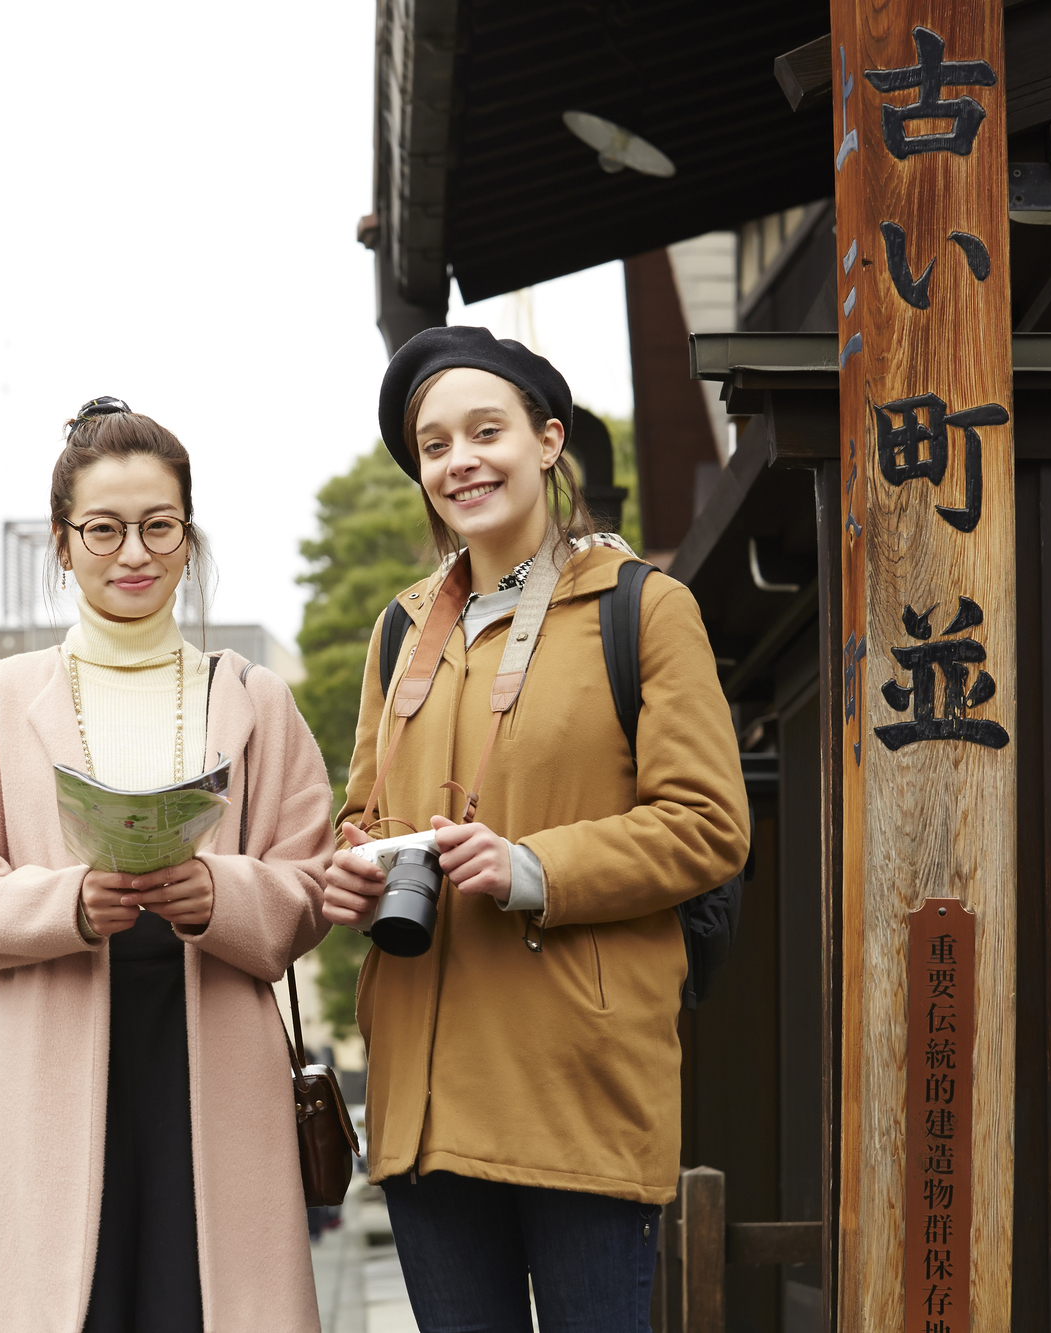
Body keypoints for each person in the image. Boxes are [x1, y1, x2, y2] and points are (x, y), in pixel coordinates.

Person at [322, 326, 750, 1331]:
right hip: (422, 1095)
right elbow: (362, 813)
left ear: (547, 439)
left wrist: (530, 867)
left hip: (577, 1085)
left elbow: (705, 824)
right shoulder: (398, 629)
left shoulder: (643, 608)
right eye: (433, 446)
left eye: (485, 430)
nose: (458, 461)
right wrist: (350, 869)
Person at [0, 398, 335, 1332]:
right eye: (103, 528)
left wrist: (220, 891)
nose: (132, 552)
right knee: (75, 1303)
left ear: (188, 537)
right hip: (54, 1052)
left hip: (213, 1050)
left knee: (206, 1301)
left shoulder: (254, 697)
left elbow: (311, 879)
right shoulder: (0, 697)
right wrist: (69, 901)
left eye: (158, 525)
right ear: (63, 544)